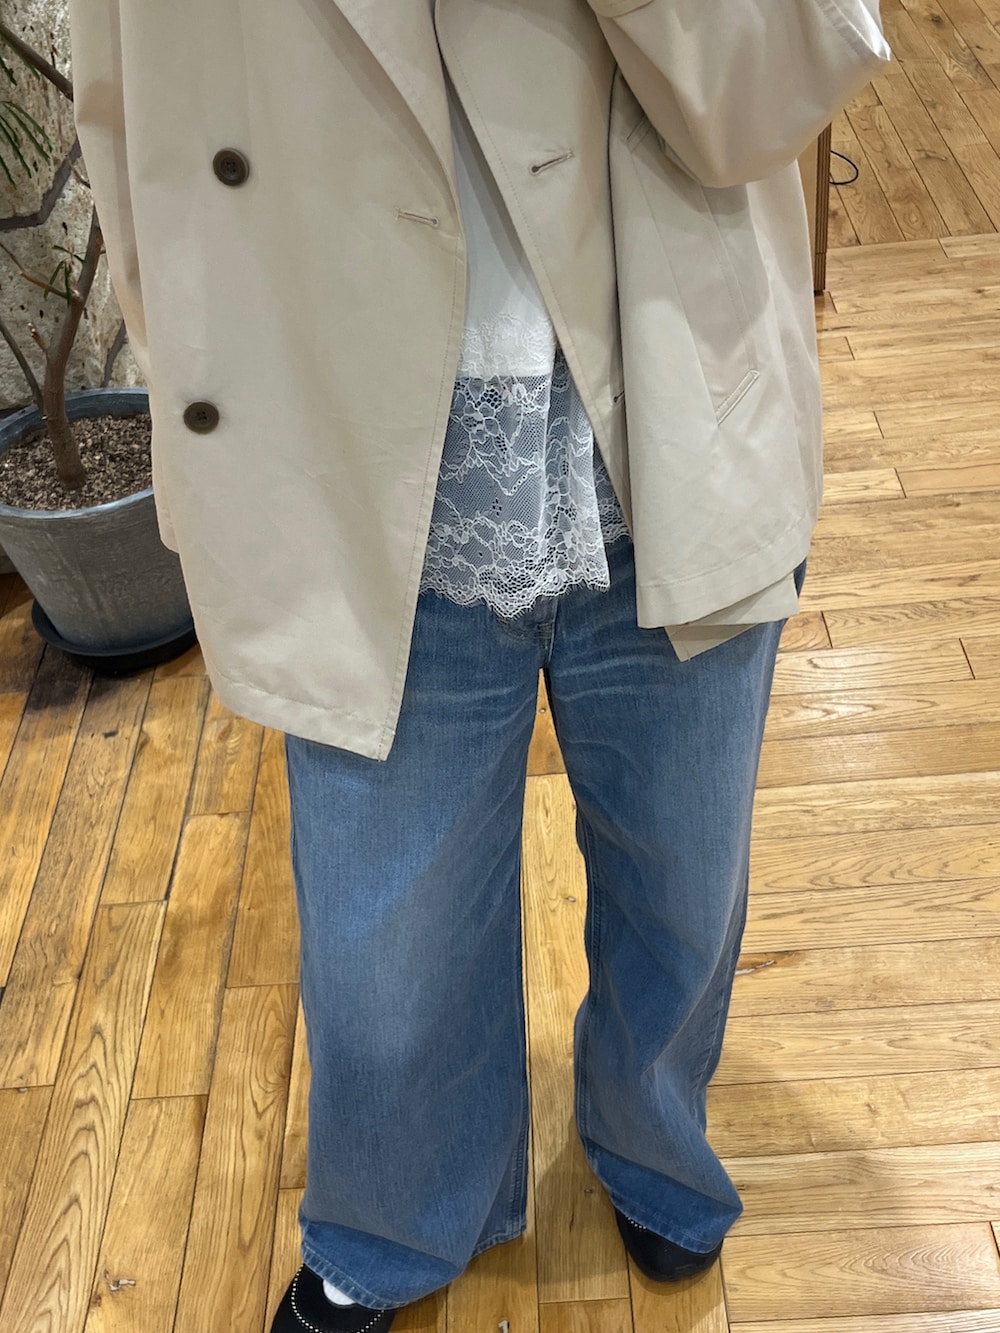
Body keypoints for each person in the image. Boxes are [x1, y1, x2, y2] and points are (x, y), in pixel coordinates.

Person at [68, 2, 889, 1330]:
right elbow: (132, 117)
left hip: (667, 397)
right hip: (346, 446)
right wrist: (198, 401)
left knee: (686, 887)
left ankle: (654, 1141)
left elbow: (780, 87)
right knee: (381, 941)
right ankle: (393, 1216)